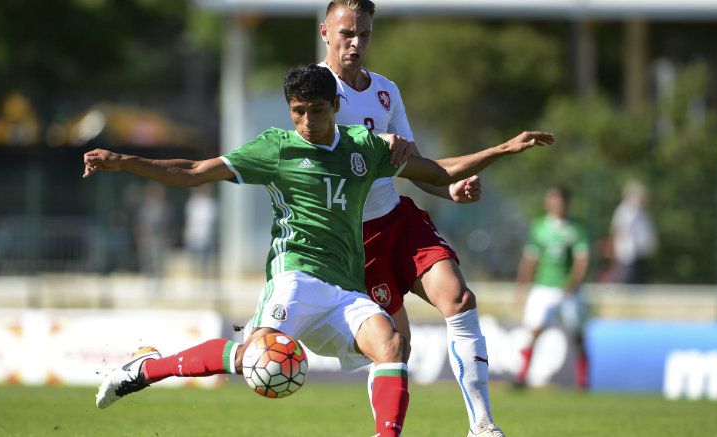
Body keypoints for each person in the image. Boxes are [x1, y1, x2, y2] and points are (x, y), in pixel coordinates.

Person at [83, 64, 552, 436]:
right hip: (296, 277)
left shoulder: (364, 147)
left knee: (391, 345)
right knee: (253, 356)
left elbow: (437, 173)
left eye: (317, 110)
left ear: (334, 107)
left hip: (346, 286)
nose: (307, 121)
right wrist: (125, 162)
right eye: (298, 111)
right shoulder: (276, 150)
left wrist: (504, 149)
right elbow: (194, 170)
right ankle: (146, 369)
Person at [320, 2, 505, 435]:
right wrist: (368, 142)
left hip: (397, 218)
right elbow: (319, 153)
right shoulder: (313, 89)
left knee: (458, 298)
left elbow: (414, 164)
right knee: (394, 347)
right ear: (325, 31)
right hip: (353, 237)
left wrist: (449, 188)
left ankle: (483, 425)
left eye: (364, 34)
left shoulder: (386, 91)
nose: (356, 43)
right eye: (347, 33)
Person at [514, 186, 590, 390]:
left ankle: (583, 380)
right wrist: (522, 287)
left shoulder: (577, 229)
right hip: (543, 288)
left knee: (577, 334)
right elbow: (530, 259)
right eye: (552, 200)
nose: (556, 204)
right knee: (533, 330)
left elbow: (582, 260)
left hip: (568, 290)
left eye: (560, 200)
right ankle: (521, 376)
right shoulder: (539, 227)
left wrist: (572, 284)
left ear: (566, 203)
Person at [607, 180, 657, 284]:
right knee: (630, 282)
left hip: (641, 255)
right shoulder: (625, 211)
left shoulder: (642, 212)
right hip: (628, 256)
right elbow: (618, 231)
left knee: (641, 282)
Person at [183, 184, 218, 279]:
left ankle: (205, 279)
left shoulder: (212, 204)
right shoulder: (193, 203)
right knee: (194, 260)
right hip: (194, 235)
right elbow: (189, 220)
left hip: (205, 236)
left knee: (205, 261)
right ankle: (195, 278)